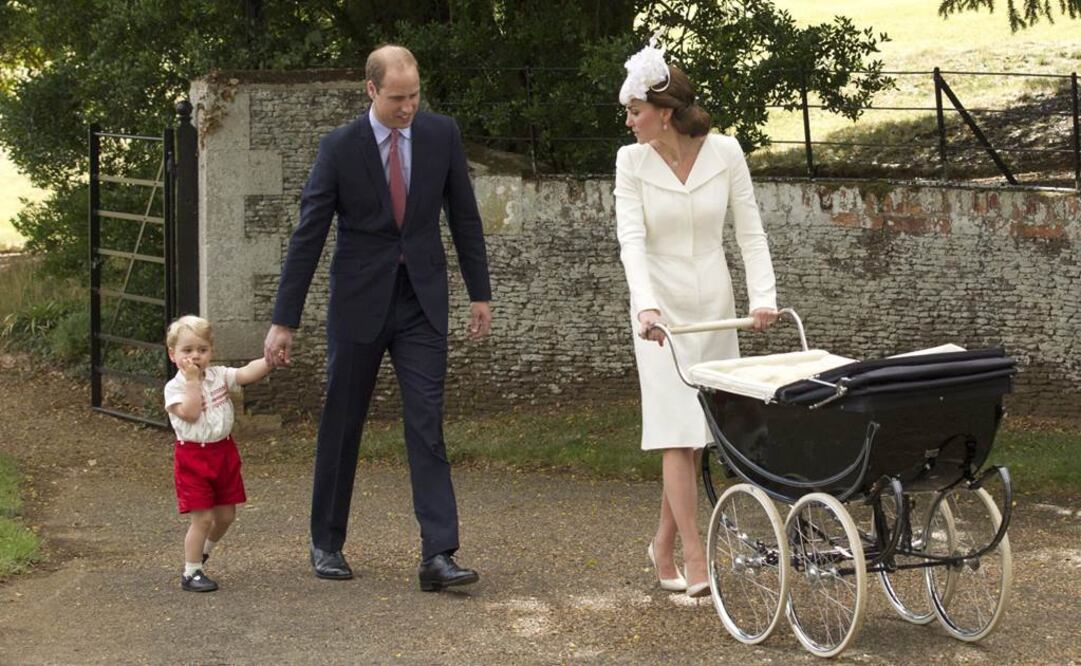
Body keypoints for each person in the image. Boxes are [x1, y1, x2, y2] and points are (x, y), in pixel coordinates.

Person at [263, 44, 492, 591]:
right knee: (342, 424)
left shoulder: (442, 135)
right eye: (396, 98)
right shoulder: (339, 148)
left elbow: (464, 215)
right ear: (371, 90)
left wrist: (479, 294)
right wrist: (283, 319)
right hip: (358, 305)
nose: (408, 107)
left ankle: (438, 555)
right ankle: (327, 542)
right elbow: (309, 234)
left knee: (426, 425)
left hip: (421, 304)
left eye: (414, 95)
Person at [613, 40, 778, 598]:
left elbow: (749, 231)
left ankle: (661, 543)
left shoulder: (726, 152)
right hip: (660, 314)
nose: (629, 121)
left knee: (697, 432)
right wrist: (645, 306)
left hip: (715, 309)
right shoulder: (629, 162)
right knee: (673, 432)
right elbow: (631, 242)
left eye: (635, 111)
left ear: (664, 112)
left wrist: (763, 298)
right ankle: (693, 552)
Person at [164, 315, 274, 592]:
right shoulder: (175, 388)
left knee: (225, 516)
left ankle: (202, 553)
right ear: (172, 354)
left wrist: (270, 360)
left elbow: (246, 373)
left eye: (202, 350)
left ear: (211, 351)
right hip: (193, 457)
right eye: (187, 351)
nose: (195, 356)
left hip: (223, 452)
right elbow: (189, 413)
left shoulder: (219, 375)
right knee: (202, 518)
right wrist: (192, 381)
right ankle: (191, 572)